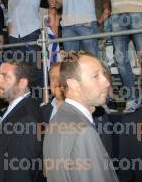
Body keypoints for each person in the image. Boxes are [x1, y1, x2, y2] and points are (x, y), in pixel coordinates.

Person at [43, 52, 118, 182]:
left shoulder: (58, 119)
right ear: (73, 84)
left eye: (103, 74)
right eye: (96, 76)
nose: (106, 83)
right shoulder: (83, 131)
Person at [0, 61, 44, 182]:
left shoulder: (26, 120)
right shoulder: (18, 109)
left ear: (22, 83)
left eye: (5, 76)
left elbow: (19, 175)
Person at [6, 0, 42, 77]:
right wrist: (11, 38)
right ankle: (27, 96)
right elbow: (9, 19)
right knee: (21, 73)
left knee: (36, 69)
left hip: (31, 35)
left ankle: (41, 96)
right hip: (15, 38)